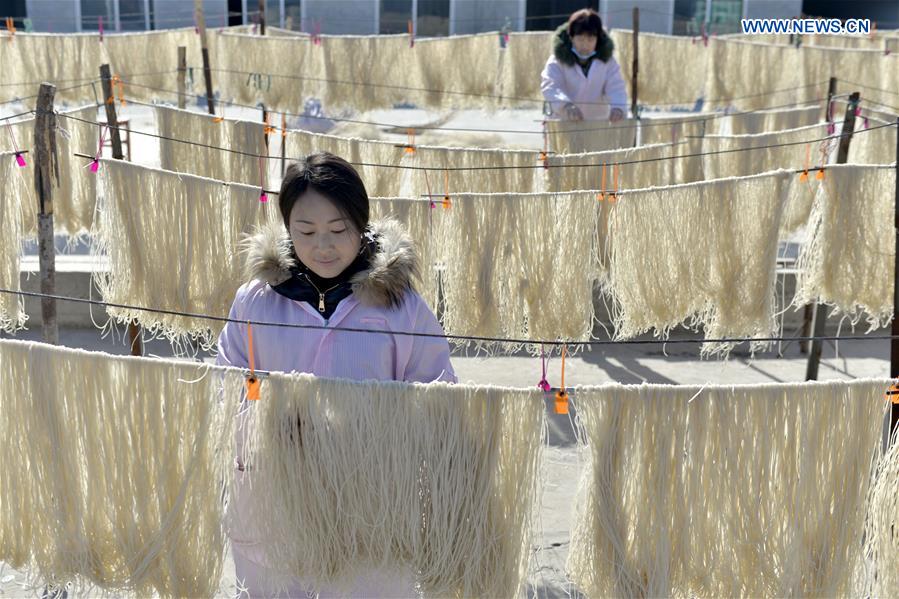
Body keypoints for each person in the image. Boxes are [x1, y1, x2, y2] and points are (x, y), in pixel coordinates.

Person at [217, 151, 456, 598]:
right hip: (275, 499)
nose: (322, 246)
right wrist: (267, 423)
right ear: (288, 228)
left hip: (372, 503)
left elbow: (439, 393)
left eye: (338, 230)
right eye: (306, 231)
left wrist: (373, 432)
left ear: (361, 227)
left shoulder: (399, 308)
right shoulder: (256, 301)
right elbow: (225, 382)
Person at [540, 8, 628, 122]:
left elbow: (616, 87)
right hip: (563, 123)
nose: (585, 45)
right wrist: (565, 105)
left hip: (596, 125)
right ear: (571, 37)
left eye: (590, 39)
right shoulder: (557, 61)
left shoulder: (608, 62)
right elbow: (551, 86)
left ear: (598, 39)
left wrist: (618, 108)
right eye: (580, 39)